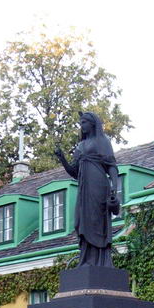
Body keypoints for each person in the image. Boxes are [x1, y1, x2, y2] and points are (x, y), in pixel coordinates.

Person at [54, 111, 120, 267]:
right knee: (80, 221)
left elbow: (111, 167)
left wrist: (114, 188)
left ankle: (100, 261)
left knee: (97, 221)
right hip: (84, 189)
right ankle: (86, 260)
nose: (81, 126)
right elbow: (75, 173)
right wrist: (62, 158)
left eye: (84, 122)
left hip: (98, 186)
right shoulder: (81, 146)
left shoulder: (102, 141)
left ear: (92, 124)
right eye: (80, 123)